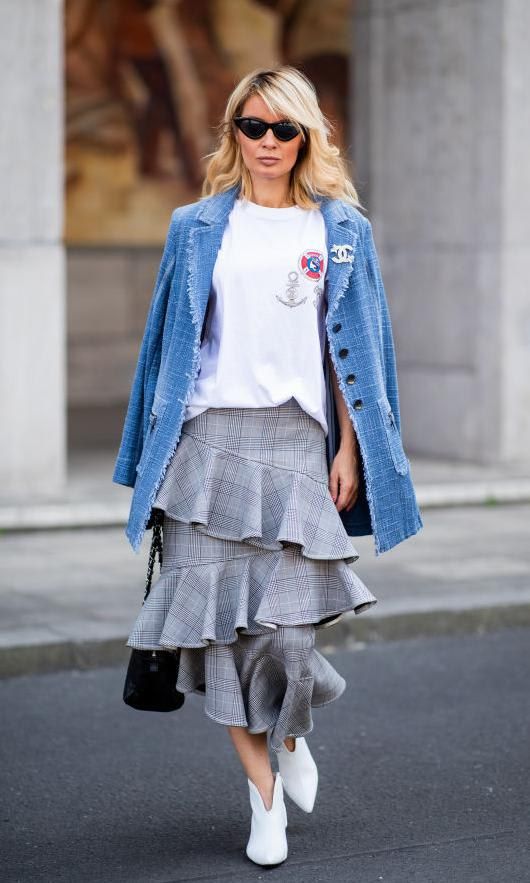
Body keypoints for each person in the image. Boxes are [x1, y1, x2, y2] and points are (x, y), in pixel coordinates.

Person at [112, 65, 423, 868]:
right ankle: (264, 803)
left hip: (294, 445)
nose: (269, 143)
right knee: (220, 640)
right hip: (205, 447)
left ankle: (291, 736)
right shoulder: (196, 226)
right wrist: (150, 457)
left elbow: (361, 353)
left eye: (285, 129)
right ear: (234, 133)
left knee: (285, 636)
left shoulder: (341, 228)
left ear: (308, 135)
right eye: (254, 127)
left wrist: (349, 448)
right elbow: (164, 349)